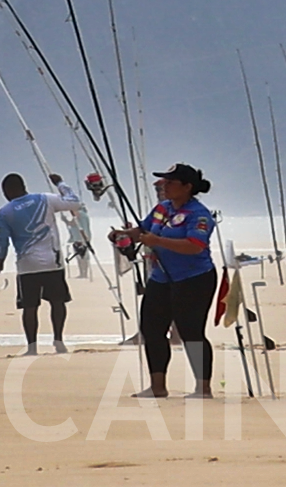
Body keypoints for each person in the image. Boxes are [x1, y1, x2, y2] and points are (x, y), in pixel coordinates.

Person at [111, 163, 217, 398]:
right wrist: (125, 234)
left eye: (171, 183)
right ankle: (157, 386)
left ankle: (203, 388)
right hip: (161, 278)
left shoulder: (199, 215)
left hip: (194, 278)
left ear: (187, 187)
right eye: (164, 182)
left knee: (191, 331)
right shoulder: (162, 208)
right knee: (151, 328)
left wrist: (158, 241)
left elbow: (195, 246)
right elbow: (145, 230)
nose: (165, 186)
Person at [0, 172, 84, 355]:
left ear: (7, 191)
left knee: (29, 306)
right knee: (57, 302)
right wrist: (60, 183)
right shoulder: (46, 199)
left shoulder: (4, 213)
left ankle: (32, 347)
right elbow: (75, 202)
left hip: (27, 266)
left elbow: (2, 240)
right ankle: (58, 341)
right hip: (53, 262)